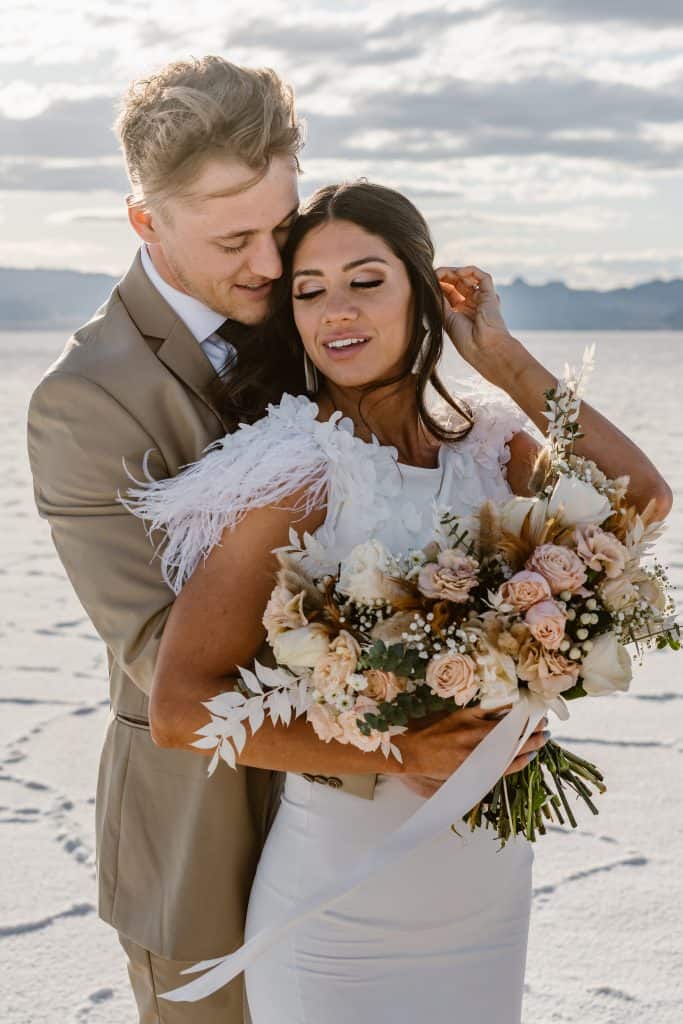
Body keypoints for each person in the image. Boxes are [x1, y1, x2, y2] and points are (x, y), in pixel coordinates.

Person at [25, 57, 535, 1024]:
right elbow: (155, 657)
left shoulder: (316, 307)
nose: (270, 262)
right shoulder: (82, 401)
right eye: (233, 239)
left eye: (281, 224)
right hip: (204, 826)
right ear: (146, 222)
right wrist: (402, 738)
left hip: (386, 834)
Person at [131, 181, 673, 1023]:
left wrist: (500, 359)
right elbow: (178, 709)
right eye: (308, 291)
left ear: (421, 290)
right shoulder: (296, 468)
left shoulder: (489, 443)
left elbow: (638, 500)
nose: (334, 310)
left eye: (366, 280)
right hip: (344, 906)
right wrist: (400, 753)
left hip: (487, 887)